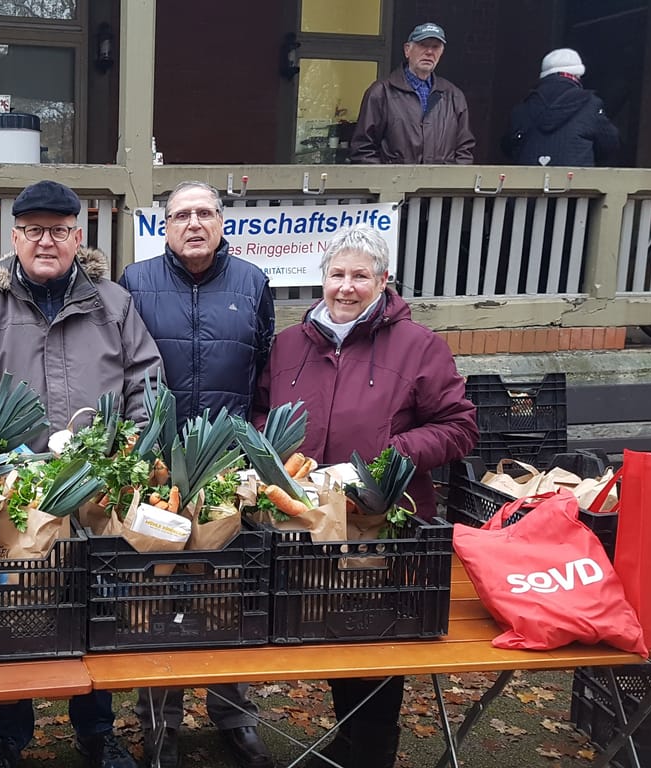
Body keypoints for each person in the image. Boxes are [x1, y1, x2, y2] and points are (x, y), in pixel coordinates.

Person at [0, 179, 162, 768]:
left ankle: (96, 729)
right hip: (16, 487)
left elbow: (146, 382)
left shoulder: (112, 303)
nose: (46, 241)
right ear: (13, 237)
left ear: (77, 236)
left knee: (100, 604)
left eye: (59, 230)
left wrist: (126, 451)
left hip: (99, 487)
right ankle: (7, 736)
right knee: (9, 608)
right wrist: (12, 456)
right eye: (34, 230)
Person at [253, 224, 477, 768]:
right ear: (321, 280)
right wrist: (274, 451)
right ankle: (348, 739)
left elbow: (458, 426)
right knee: (329, 629)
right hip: (309, 522)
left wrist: (390, 453)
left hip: (383, 524)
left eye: (360, 276)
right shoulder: (288, 346)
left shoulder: (419, 345)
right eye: (337, 275)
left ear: (383, 282)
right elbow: (261, 411)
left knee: (374, 643)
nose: (346, 287)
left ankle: (371, 750)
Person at [117, 180, 274, 768]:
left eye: (205, 212)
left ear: (222, 222)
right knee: (158, 589)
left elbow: (263, 370)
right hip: (159, 465)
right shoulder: (136, 283)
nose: (194, 223)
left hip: (227, 465)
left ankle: (233, 712)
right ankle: (159, 721)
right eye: (181, 214)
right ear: (165, 225)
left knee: (226, 589)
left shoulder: (253, 284)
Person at [351, 22, 476, 165]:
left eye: (435, 47)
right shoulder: (381, 93)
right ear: (407, 50)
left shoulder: (454, 95)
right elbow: (363, 150)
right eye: (423, 44)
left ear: (441, 52)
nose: (429, 52)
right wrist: (385, 183)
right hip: (395, 186)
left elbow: (465, 150)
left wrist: (452, 184)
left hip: (441, 186)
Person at [501, 48, 620, 167]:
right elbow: (609, 144)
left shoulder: (522, 108)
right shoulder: (590, 105)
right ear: (577, 75)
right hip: (576, 182)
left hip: (528, 183)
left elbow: (508, 147)